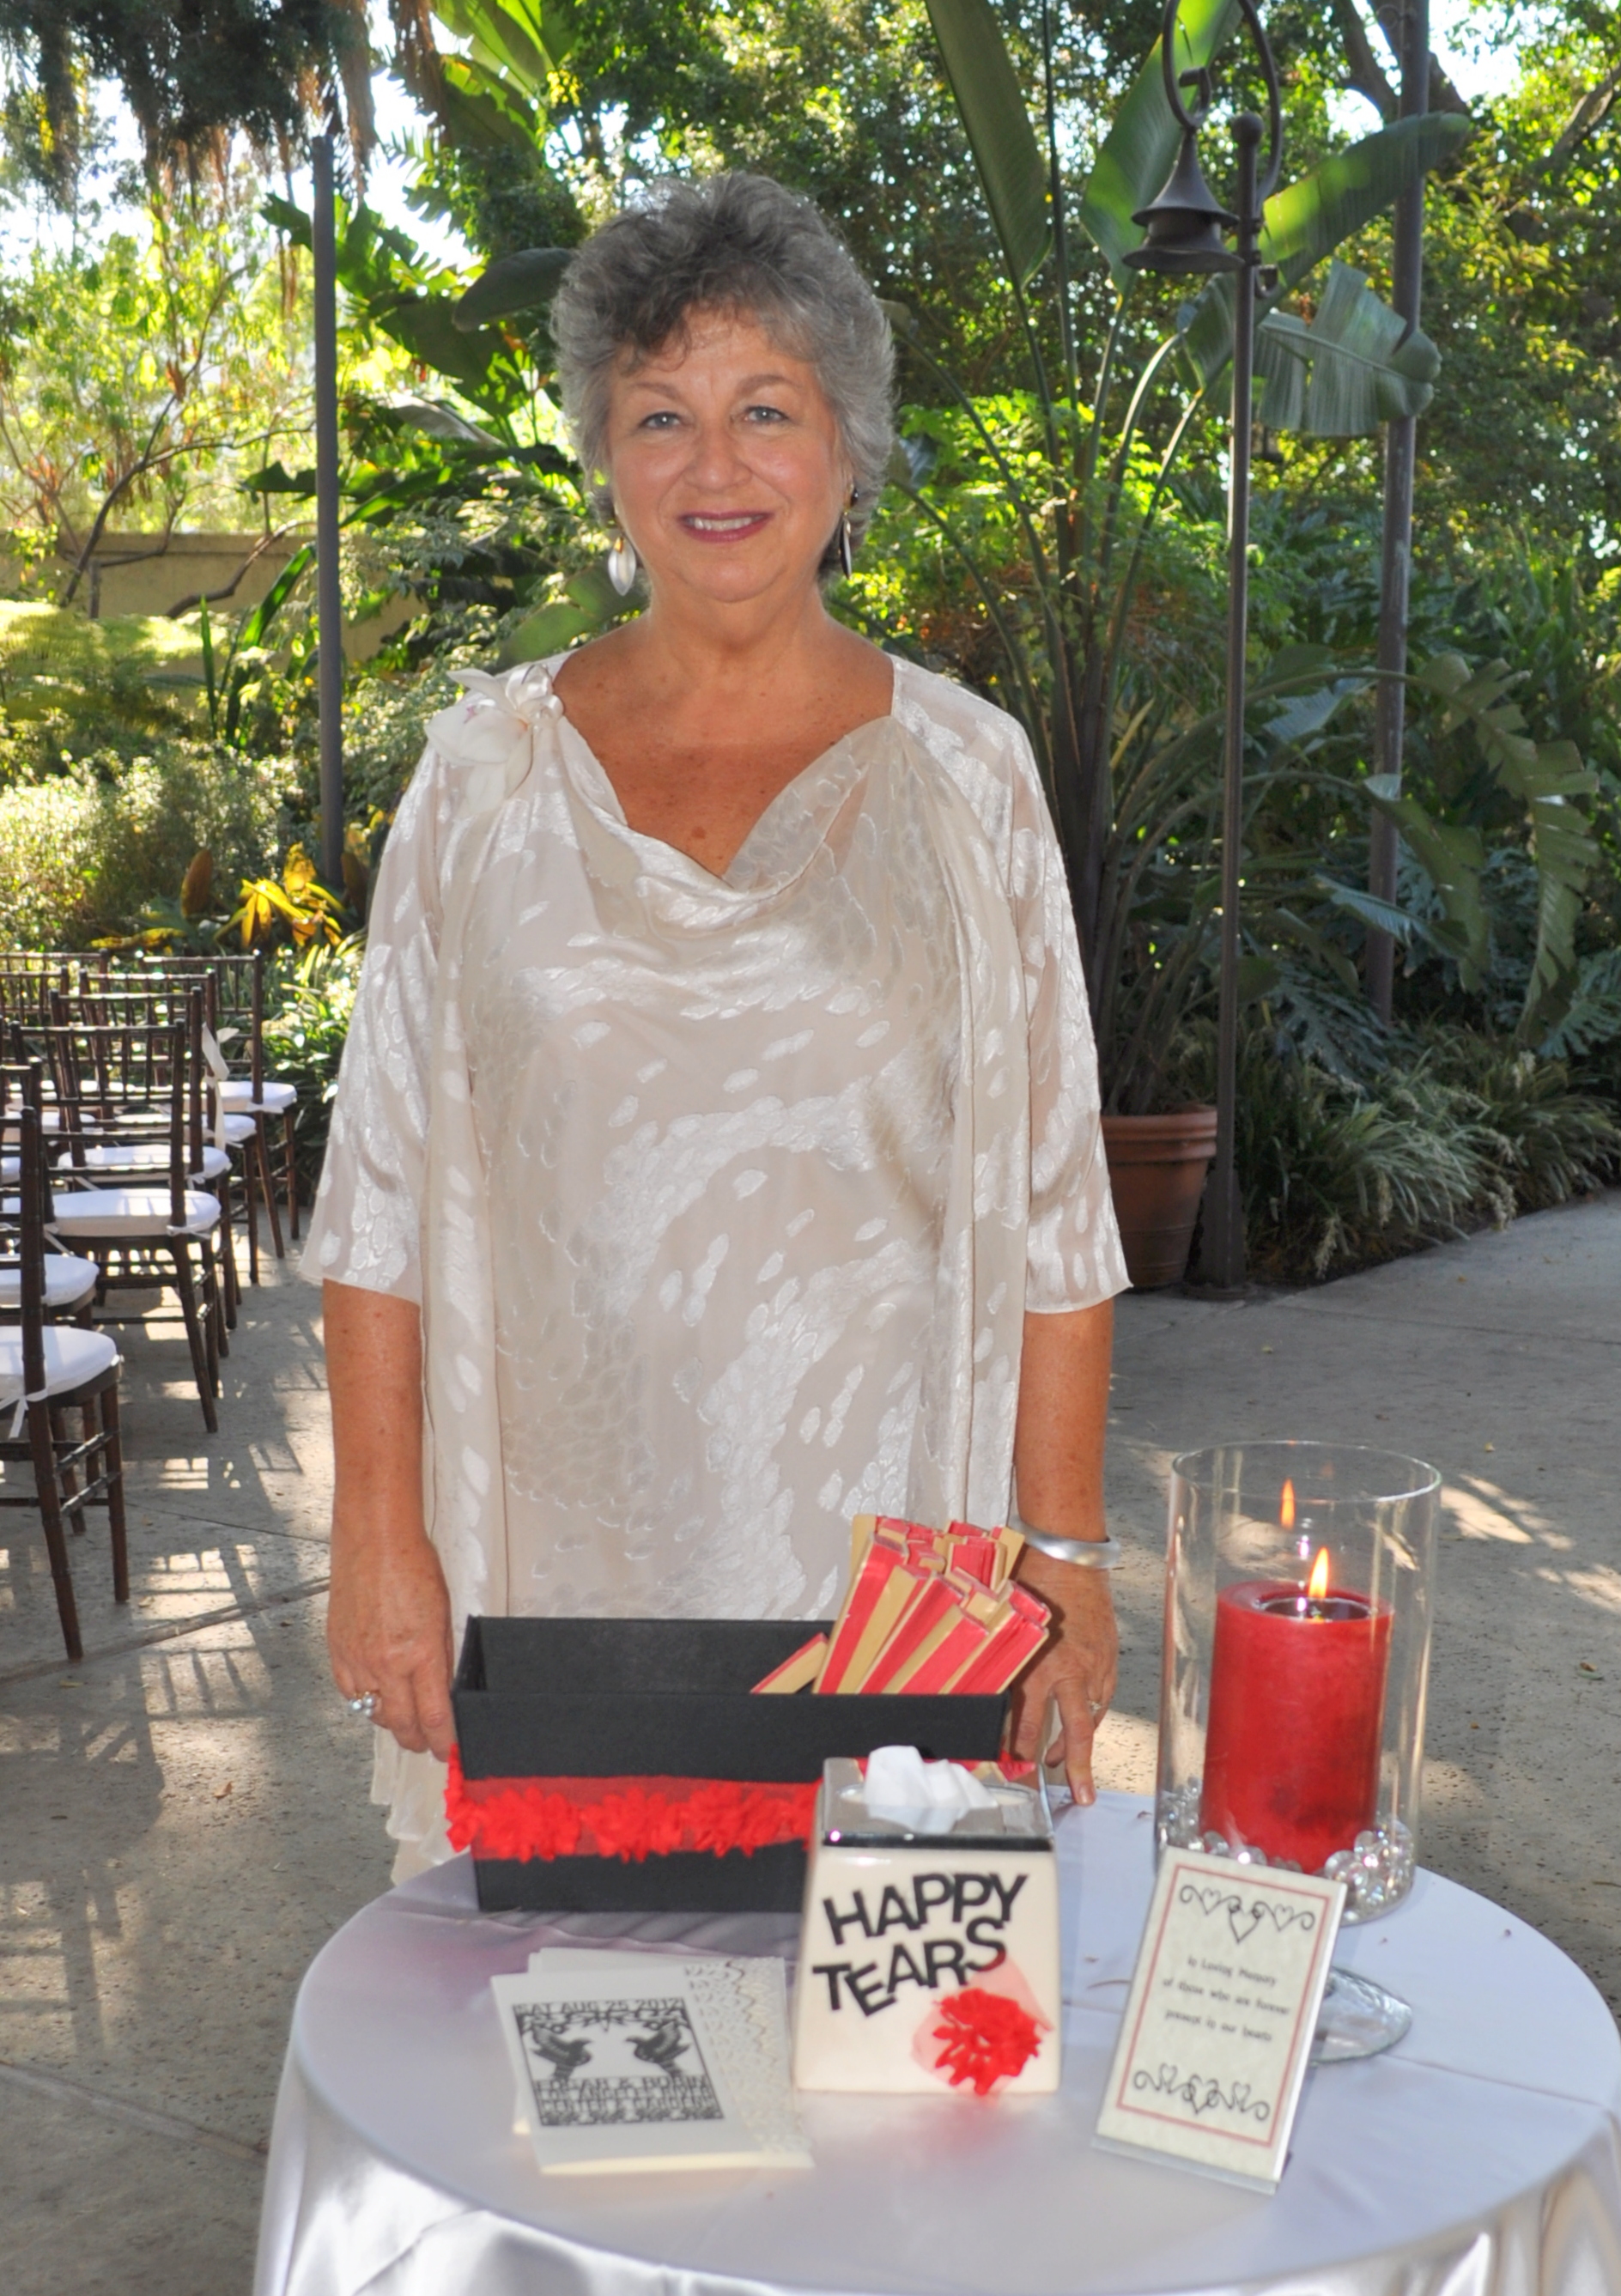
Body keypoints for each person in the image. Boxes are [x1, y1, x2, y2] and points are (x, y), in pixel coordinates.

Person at [307, 173, 1129, 1877]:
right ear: (605, 461)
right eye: (659, 415)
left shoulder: (968, 778)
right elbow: (376, 1195)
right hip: (553, 1585)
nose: (715, 464)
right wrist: (377, 1529)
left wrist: (1066, 1554)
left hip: (892, 1590)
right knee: (573, 2018)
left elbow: (1059, 1208)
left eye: (766, 408)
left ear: (847, 447)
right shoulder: (484, 781)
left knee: (877, 2021)